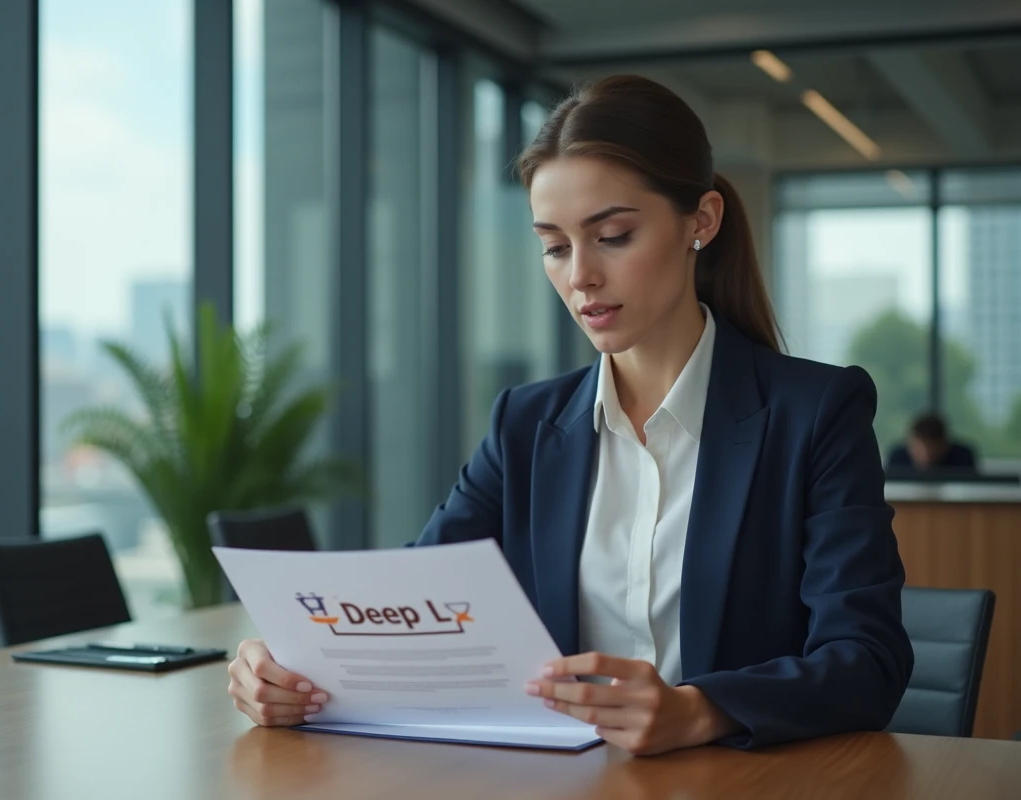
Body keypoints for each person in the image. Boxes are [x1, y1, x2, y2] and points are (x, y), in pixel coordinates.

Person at [227, 75, 913, 756]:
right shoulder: (525, 425)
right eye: (555, 246)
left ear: (700, 221)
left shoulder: (815, 413)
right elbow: (415, 605)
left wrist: (700, 711)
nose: (579, 275)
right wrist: (286, 664)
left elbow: (867, 661)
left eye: (612, 235)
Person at [887, 412, 977, 471]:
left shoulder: (962, 457)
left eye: (931, 452)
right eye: (918, 451)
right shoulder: (897, 458)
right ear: (910, 443)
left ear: (944, 445)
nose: (925, 458)